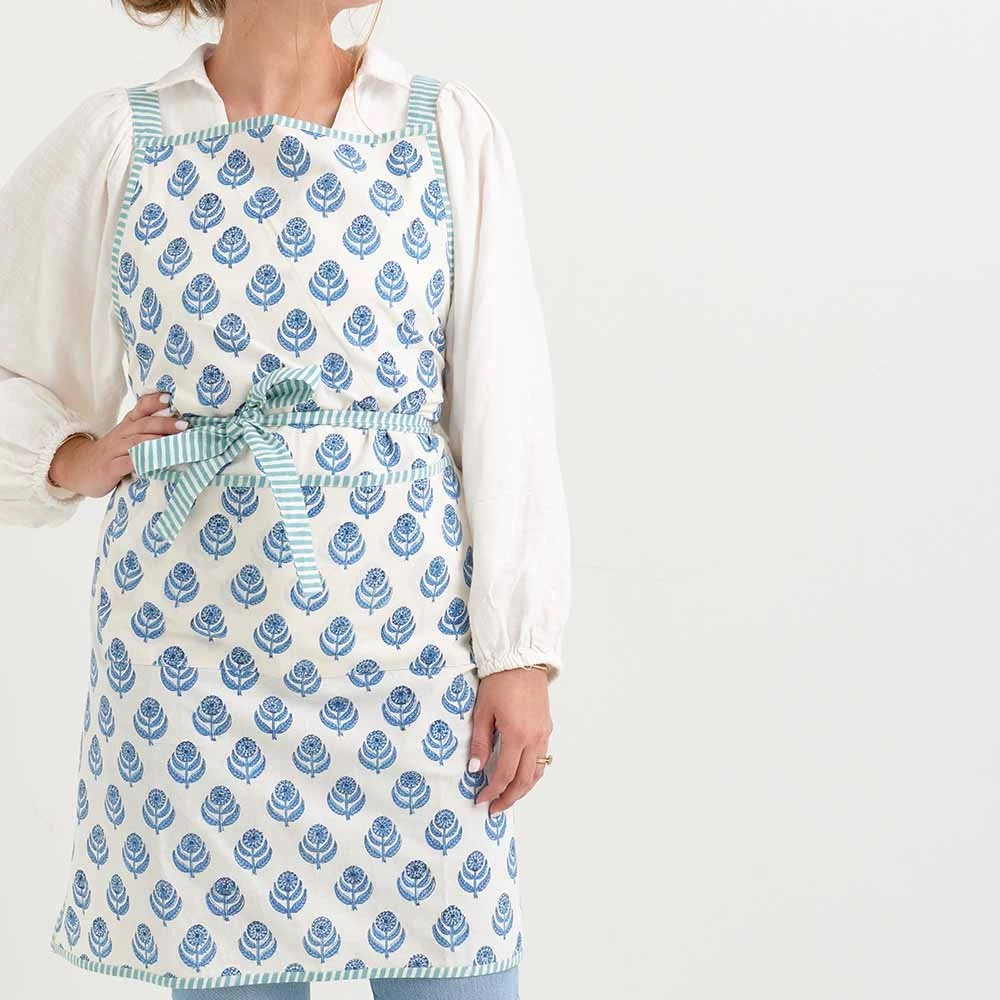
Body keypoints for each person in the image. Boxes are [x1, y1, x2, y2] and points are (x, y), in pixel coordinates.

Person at [0, 1, 571, 998]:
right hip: (193, 667)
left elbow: (504, 405)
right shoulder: (123, 140)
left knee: (459, 966)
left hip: (410, 660)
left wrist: (519, 654)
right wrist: (72, 457)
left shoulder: (441, 131)